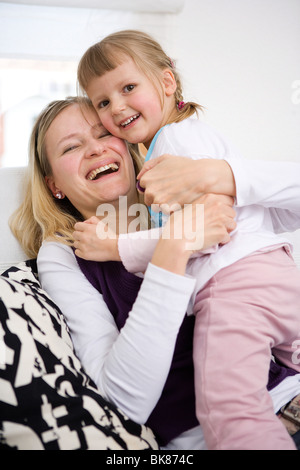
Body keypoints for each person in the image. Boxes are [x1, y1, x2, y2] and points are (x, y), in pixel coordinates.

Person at [10, 97, 300, 450]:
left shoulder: (184, 197)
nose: (95, 149)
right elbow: (124, 401)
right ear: (54, 184)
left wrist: (224, 174)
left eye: (104, 132)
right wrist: (174, 247)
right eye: (72, 146)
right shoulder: (63, 256)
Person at [75, 29, 300, 450]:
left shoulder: (172, 148)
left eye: (128, 88)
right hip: (279, 273)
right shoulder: (195, 135)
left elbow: (206, 232)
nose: (117, 107)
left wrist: (114, 248)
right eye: (103, 102)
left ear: (166, 82)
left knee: (231, 412)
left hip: (234, 286)